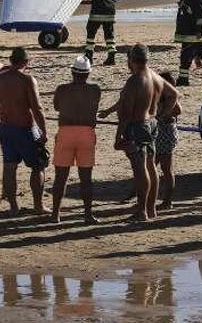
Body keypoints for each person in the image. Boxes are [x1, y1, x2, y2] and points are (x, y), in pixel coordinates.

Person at [100, 44, 178, 222]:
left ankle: (142, 210)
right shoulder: (155, 77)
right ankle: (151, 209)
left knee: (141, 169)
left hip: (138, 126)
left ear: (131, 60)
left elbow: (126, 113)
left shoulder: (135, 80)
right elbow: (174, 95)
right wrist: (161, 114)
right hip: (151, 124)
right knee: (150, 167)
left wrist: (118, 135)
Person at [0, 47, 50, 217]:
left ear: (11, 60)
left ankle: (13, 206)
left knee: (9, 168)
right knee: (38, 166)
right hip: (25, 128)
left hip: (7, 128)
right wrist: (44, 131)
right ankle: (38, 205)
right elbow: (37, 108)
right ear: (26, 62)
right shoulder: (26, 79)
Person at [50, 55, 102, 224]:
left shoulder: (62, 89)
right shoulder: (95, 90)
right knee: (86, 178)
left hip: (65, 132)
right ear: (87, 74)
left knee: (60, 177)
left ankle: (55, 214)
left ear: (72, 72)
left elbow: (57, 106)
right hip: (86, 133)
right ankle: (88, 214)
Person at [82, 0, 118, 66]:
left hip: (97, 12)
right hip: (110, 12)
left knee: (91, 32)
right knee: (109, 35)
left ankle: (89, 55)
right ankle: (111, 56)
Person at [155, 71, 181, 211]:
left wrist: (162, 115)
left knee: (166, 169)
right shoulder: (160, 95)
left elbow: (177, 110)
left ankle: (167, 201)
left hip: (165, 134)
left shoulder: (170, 97)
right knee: (153, 167)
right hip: (159, 134)